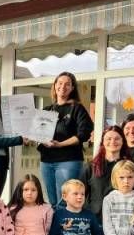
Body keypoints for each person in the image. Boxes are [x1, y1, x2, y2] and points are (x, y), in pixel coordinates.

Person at [38, 72, 94, 207]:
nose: (63, 87)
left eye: (67, 84)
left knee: (65, 201)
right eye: (60, 83)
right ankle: (56, 227)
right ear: (55, 86)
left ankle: (66, 227)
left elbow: (84, 134)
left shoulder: (77, 108)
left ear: (72, 88)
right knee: (52, 202)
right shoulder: (47, 110)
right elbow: (39, 134)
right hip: (46, 161)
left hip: (68, 160)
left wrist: (60, 144)